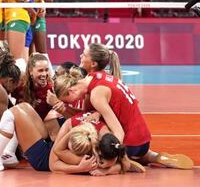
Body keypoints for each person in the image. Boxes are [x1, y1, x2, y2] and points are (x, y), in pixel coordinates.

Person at [53, 67, 194, 170]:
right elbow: (92, 110)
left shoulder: (96, 95)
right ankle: (154, 156)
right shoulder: (96, 76)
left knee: (82, 142)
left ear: (72, 90)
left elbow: (118, 131)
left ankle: (122, 162)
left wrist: (112, 157)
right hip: (143, 140)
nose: (71, 103)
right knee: (94, 125)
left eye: (68, 101)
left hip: (130, 143)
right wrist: (96, 112)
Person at [25, 0, 52, 69]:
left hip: (38, 17)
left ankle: (51, 78)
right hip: (24, 17)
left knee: (42, 52)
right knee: (28, 54)